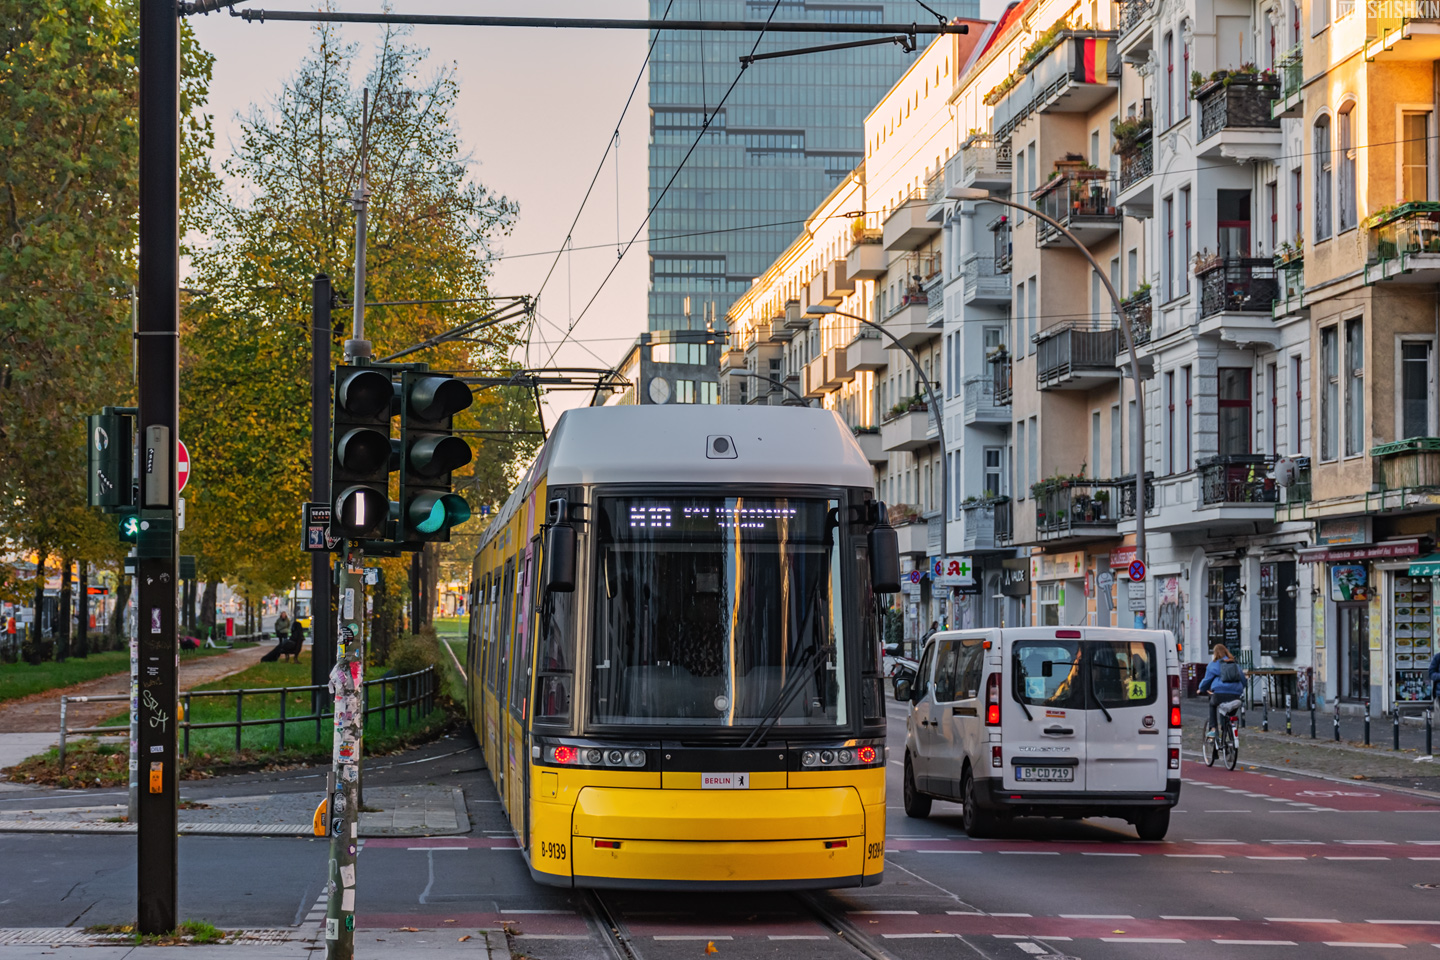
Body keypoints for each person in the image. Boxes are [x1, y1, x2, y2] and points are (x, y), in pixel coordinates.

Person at [1196, 642, 1246, 737]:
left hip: (1219, 694)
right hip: (1236, 694)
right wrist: (1238, 689)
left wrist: (1201, 689)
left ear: (1215, 653)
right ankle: (1227, 731)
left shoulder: (1213, 664)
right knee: (1228, 713)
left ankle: (1213, 728)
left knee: (1212, 704)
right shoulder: (1234, 664)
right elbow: (1243, 680)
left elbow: (1206, 680)